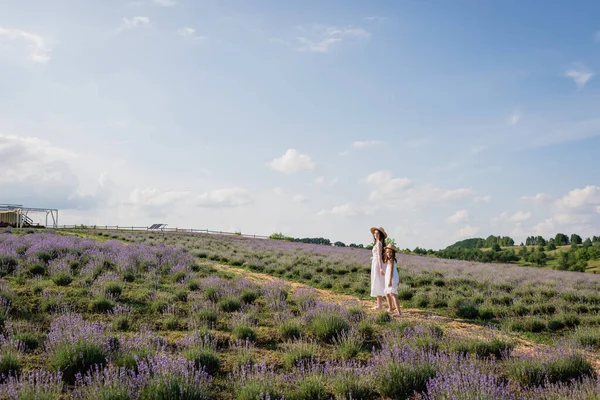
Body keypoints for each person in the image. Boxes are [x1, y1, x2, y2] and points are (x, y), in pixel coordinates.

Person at [369, 226, 387, 310]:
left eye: (377, 233)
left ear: (380, 235)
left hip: (377, 264)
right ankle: (379, 304)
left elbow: (379, 257)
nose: (375, 234)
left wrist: (380, 268)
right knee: (377, 282)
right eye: (375, 233)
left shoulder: (379, 243)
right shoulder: (377, 243)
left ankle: (380, 305)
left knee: (378, 282)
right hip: (375, 263)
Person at [383, 243, 400, 316]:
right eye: (387, 252)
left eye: (390, 252)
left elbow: (392, 271)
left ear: (393, 253)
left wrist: (389, 281)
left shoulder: (392, 260)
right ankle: (390, 308)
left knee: (393, 294)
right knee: (387, 293)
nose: (388, 254)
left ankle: (399, 312)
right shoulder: (388, 260)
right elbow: (389, 270)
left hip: (392, 278)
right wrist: (385, 273)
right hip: (389, 277)